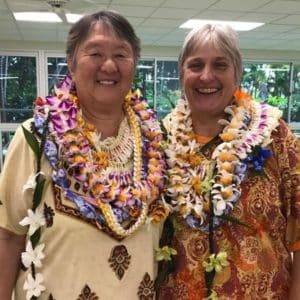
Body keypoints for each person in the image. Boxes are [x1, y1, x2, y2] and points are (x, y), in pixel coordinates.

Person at [0, 10, 168, 300]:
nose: (109, 65)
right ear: (71, 63)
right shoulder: (37, 138)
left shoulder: (156, 143)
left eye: (121, 54)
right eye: (95, 53)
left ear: (134, 64)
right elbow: (7, 237)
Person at [157, 24, 300, 299]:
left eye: (220, 65)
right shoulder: (160, 140)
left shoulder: (273, 135)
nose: (206, 76)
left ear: (237, 73)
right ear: (181, 74)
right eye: (195, 65)